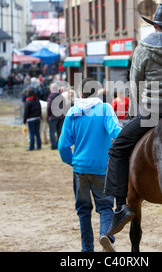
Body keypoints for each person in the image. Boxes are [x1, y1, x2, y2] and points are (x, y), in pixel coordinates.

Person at [104, 3, 162, 236]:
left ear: (155, 25)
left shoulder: (143, 47)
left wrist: (142, 106)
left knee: (117, 149)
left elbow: (136, 82)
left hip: (153, 112)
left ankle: (120, 207)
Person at [58, 78, 122, 252]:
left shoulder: (72, 112)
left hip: (80, 170)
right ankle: (105, 235)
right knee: (106, 207)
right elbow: (117, 132)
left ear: (81, 93)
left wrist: (71, 161)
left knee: (83, 211)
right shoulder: (105, 109)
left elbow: (63, 145)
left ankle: (87, 250)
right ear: (98, 92)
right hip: (102, 169)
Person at [47, 82, 66, 150]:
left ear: (52, 88)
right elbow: (64, 106)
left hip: (53, 117)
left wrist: (49, 116)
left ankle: (53, 145)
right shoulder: (61, 96)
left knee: (52, 132)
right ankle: (60, 145)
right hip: (61, 117)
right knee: (59, 131)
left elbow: (49, 107)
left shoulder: (51, 96)